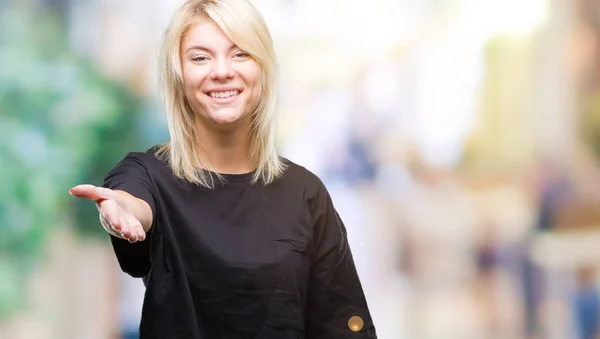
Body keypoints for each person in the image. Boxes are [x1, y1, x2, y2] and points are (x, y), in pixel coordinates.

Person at [69, 0, 377, 338]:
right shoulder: (148, 174)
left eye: (240, 54)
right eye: (200, 57)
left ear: (262, 68)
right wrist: (121, 211)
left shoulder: (304, 192)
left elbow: (344, 321)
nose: (221, 70)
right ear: (178, 76)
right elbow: (132, 202)